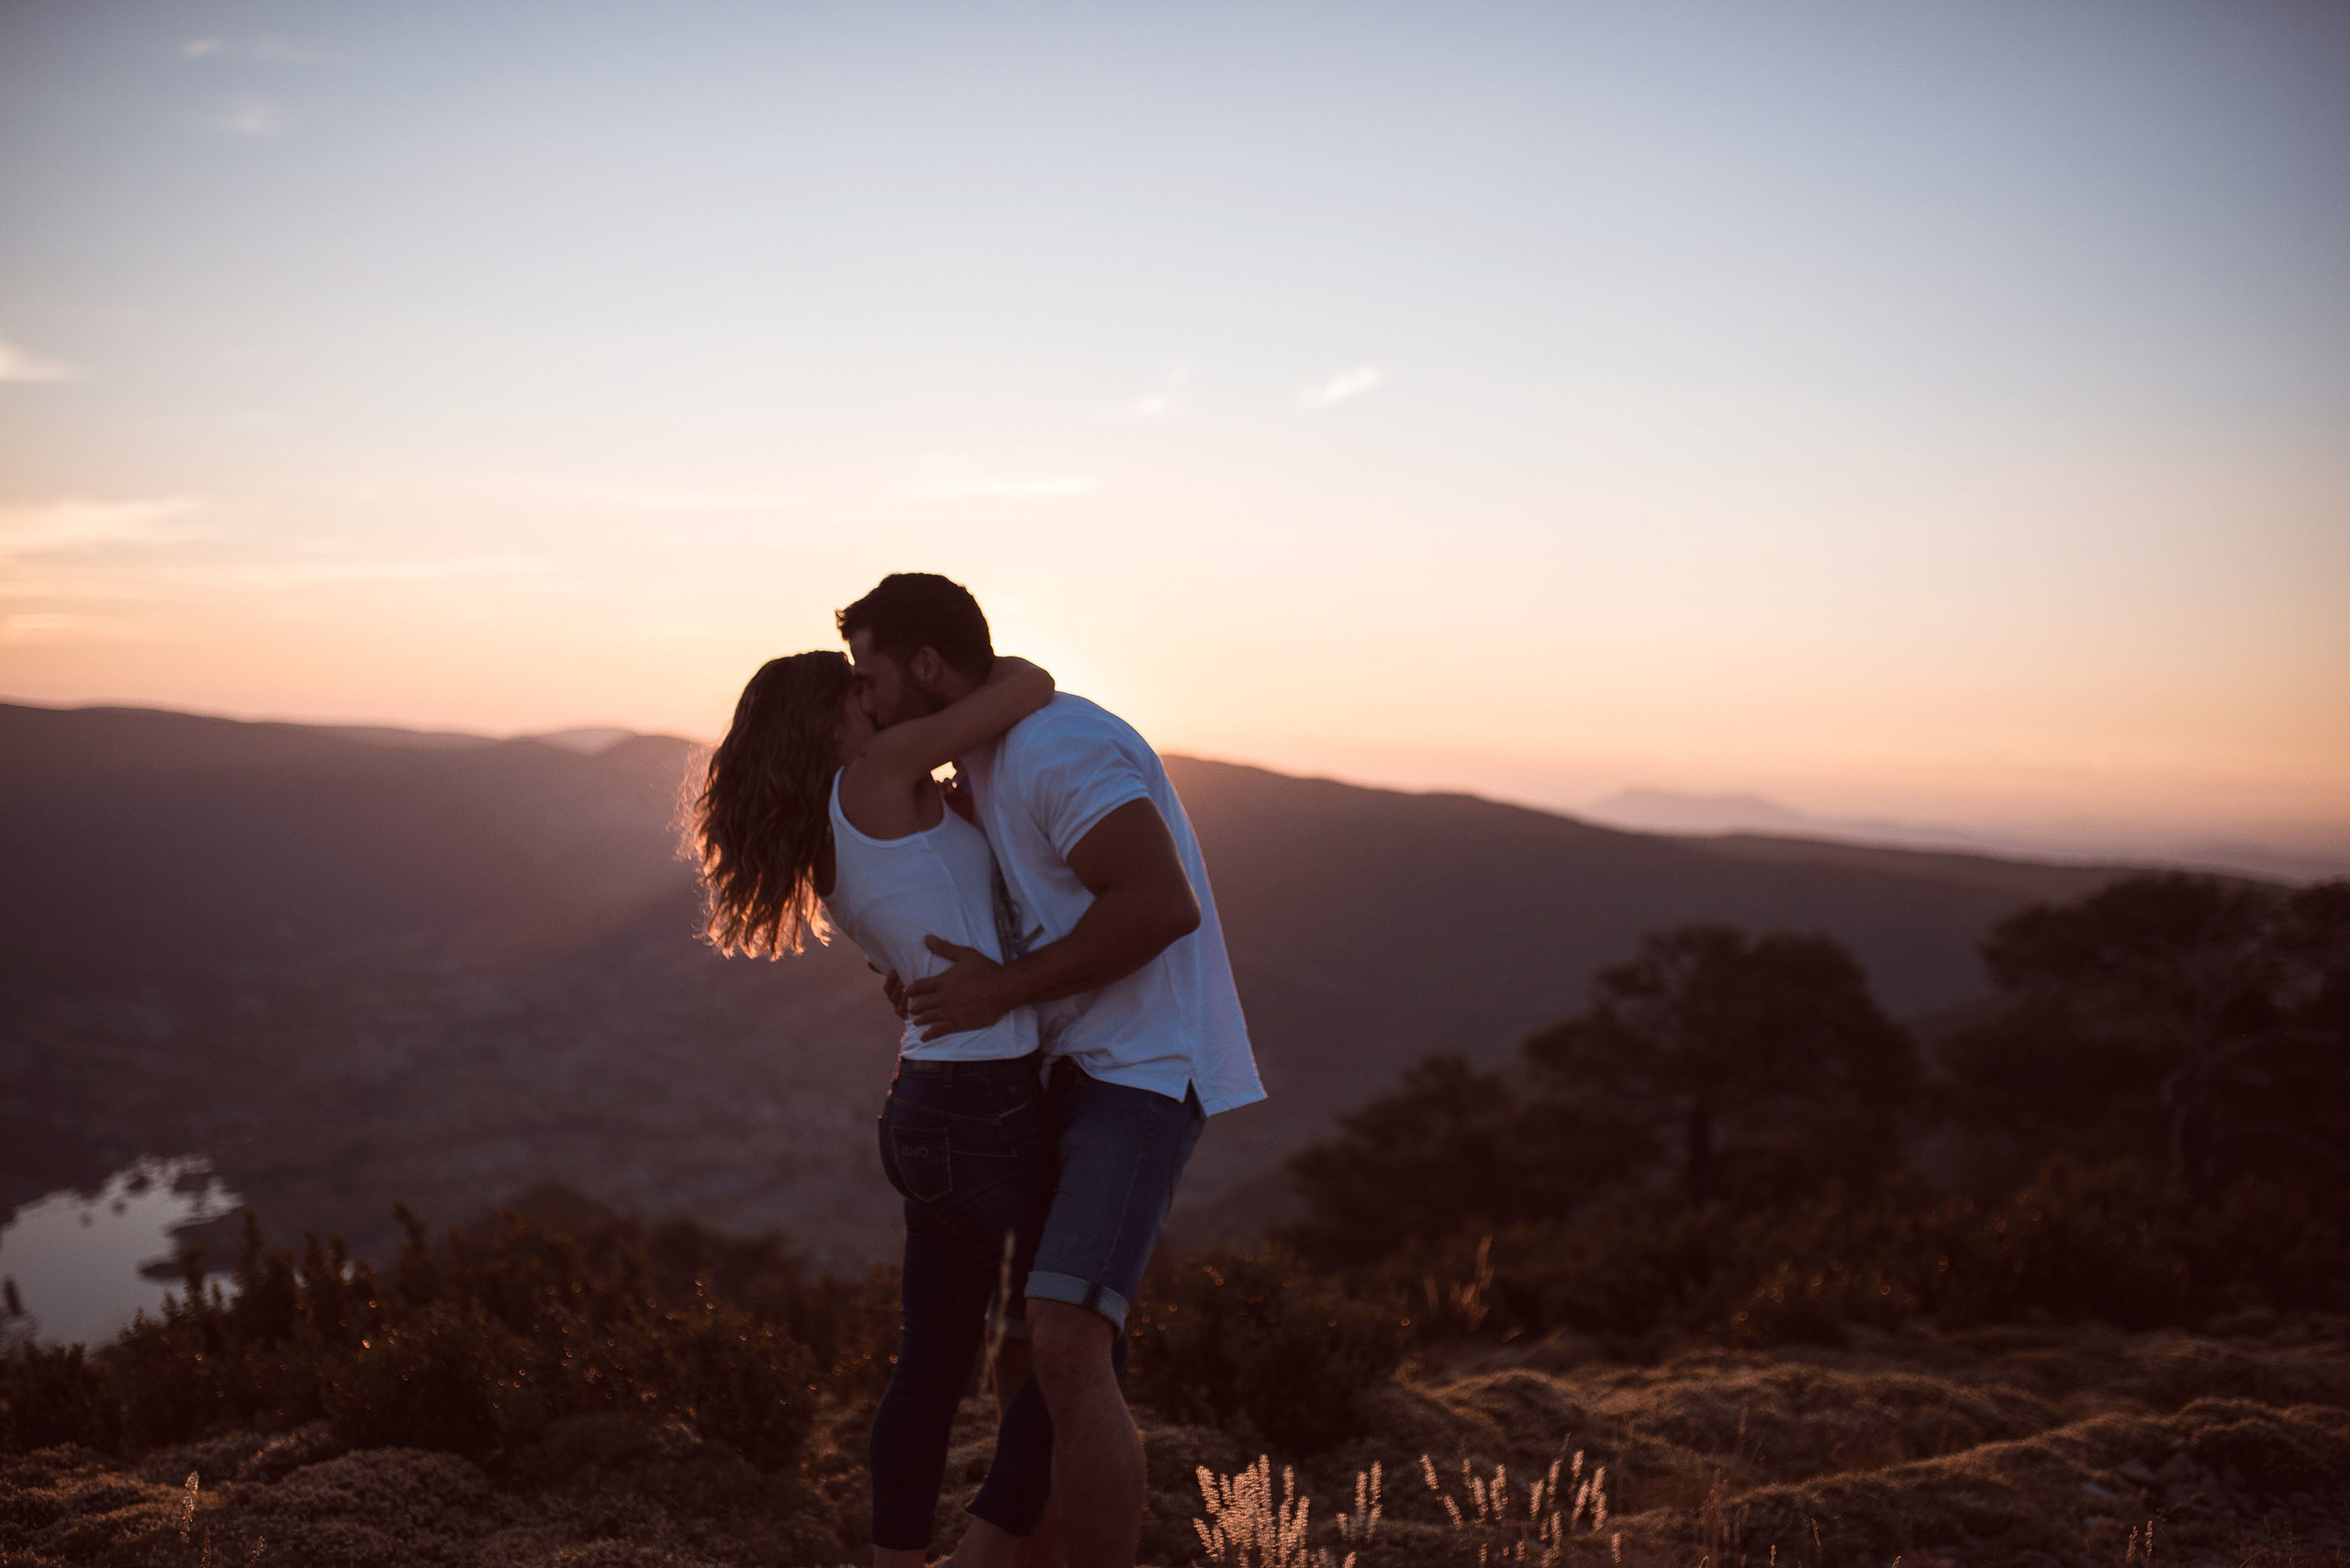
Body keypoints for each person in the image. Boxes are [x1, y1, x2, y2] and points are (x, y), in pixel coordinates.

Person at [838, 572, 1266, 1568]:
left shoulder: (1058, 746)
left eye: (874, 674)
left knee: (1069, 1337)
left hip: (1144, 1069)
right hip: (1063, 1067)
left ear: (928, 666)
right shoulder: (980, 766)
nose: (867, 699)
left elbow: (1160, 903)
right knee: (1023, 1346)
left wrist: (1002, 989)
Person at [686, 644, 1061, 1568]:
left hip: (927, 1105)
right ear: (831, 714)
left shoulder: (821, 826)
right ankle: (980, 1556)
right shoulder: (878, 771)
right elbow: (1031, 685)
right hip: (984, 1101)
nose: (874, 700)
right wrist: (955, 666)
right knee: (1079, 1353)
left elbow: (908, 949)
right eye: (859, 689)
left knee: (930, 1363)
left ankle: (896, 1558)